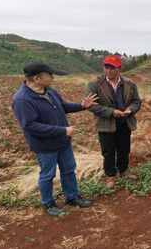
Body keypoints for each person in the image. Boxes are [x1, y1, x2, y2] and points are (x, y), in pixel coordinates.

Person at [12, 62, 98, 216]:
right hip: (44, 145)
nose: (52, 78)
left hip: (62, 141)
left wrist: (82, 106)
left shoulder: (49, 91)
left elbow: (63, 106)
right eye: (49, 75)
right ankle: (48, 204)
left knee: (68, 170)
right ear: (37, 78)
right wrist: (63, 130)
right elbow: (31, 126)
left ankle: (72, 197)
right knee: (48, 175)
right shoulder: (22, 100)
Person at [87, 55, 141, 188]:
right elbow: (91, 105)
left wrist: (130, 109)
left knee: (124, 148)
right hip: (106, 123)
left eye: (112, 68)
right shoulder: (95, 85)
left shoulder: (129, 84)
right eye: (106, 67)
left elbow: (136, 101)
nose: (109, 71)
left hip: (124, 122)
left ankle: (124, 171)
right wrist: (111, 112)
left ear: (119, 69)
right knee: (108, 151)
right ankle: (110, 175)